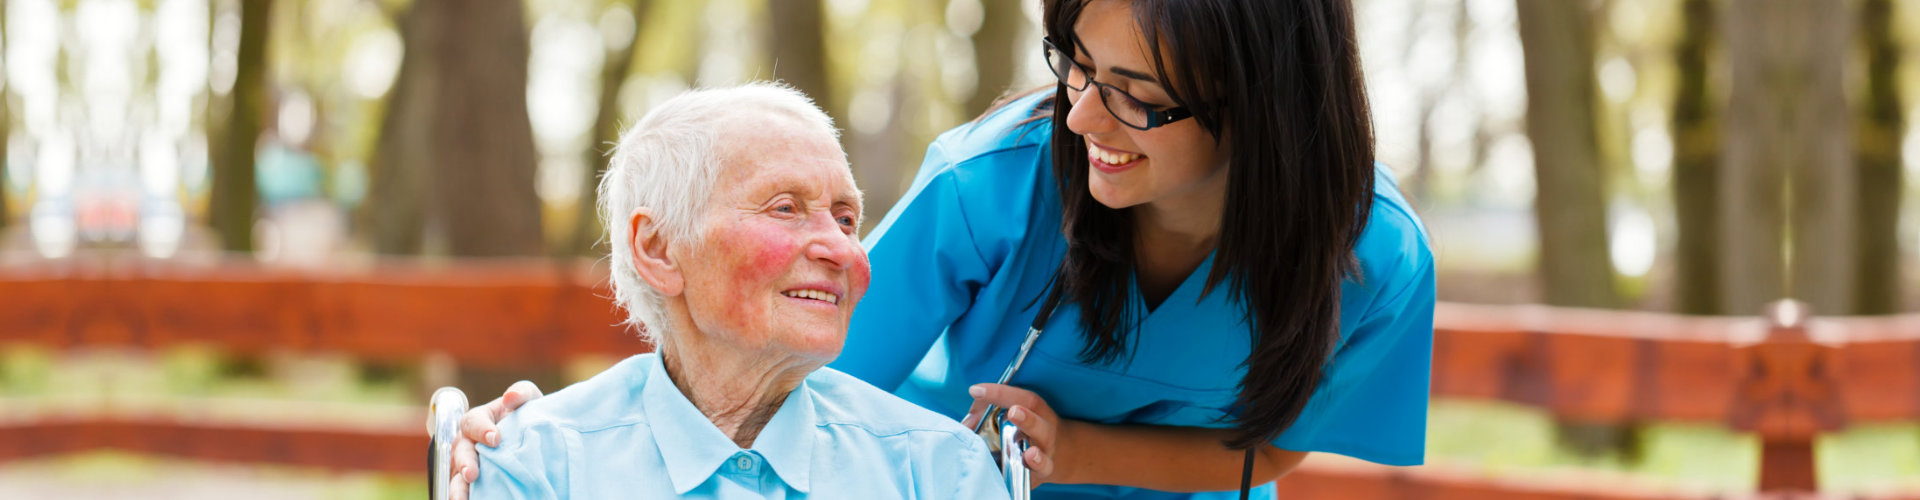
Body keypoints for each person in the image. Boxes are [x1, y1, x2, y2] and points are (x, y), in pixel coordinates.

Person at [456, 0, 1435, 498]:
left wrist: (1075, 445)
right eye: (1077, 67)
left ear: (1261, 112)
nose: (1084, 114)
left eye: (1136, 94)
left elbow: (1279, 440)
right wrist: (563, 437)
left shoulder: (1376, 260)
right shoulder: (994, 182)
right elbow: (770, 364)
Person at [463, 82, 1010, 499]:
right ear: (657, 249)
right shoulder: (539, 466)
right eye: (786, 209)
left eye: (846, 219)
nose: (842, 251)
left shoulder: (939, 470)